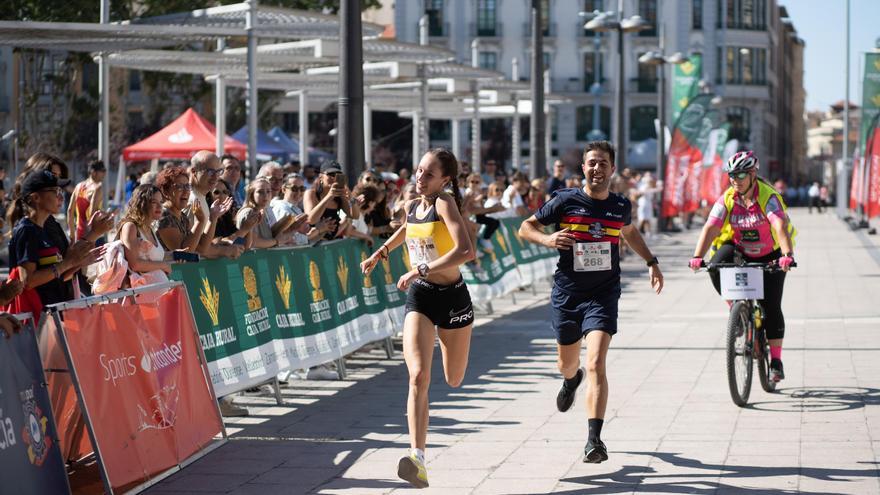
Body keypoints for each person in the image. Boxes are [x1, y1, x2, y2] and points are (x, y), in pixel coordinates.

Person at [518, 141, 663, 464]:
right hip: (568, 293)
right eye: (591, 163)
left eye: (602, 163)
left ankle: (594, 440)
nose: (596, 168)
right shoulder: (565, 201)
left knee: (597, 362)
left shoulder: (620, 205)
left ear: (612, 169)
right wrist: (547, 238)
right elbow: (524, 228)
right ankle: (571, 379)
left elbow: (629, 232)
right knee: (567, 364)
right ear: (583, 168)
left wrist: (652, 262)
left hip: (603, 294)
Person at [360, 148, 476, 489]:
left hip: (453, 299)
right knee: (418, 376)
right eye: (418, 171)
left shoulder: (444, 203)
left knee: (453, 379)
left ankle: (444, 340)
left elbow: (465, 251)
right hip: (422, 296)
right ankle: (418, 457)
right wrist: (381, 253)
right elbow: (407, 230)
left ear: (445, 179)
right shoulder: (415, 204)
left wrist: (420, 267)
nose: (419, 178)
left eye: (428, 174)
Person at [689, 150, 794, 383]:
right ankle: (736, 308)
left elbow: (779, 226)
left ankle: (776, 361)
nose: (735, 180)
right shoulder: (728, 197)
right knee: (715, 265)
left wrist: (787, 255)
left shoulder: (768, 197)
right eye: (732, 175)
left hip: (771, 254)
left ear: (753, 174)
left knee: (772, 306)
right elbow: (711, 227)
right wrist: (697, 256)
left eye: (741, 174)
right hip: (741, 250)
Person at [9, 170, 101, 308]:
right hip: (37, 319)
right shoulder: (26, 231)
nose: (61, 197)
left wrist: (77, 262)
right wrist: (66, 264)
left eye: (61, 191)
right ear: (36, 197)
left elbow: (57, 277)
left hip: (55, 314)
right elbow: (28, 281)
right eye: (55, 191)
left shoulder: (45, 230)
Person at [117, 184, 172, 281]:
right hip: (141, 293)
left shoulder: (149, 228)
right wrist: (163, 266)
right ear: (142, 204)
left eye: (161, 202)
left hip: (158, 292)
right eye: (154, 202)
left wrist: (174, 255)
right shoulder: (131, 227)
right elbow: (134, 264)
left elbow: (152, 257)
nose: (160, 206)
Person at [304, 161, 349, 240]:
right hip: (315, 246)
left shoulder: (339, 196)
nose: (334, 178)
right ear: (321, 176)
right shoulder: (311, 193)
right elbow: (310, 220)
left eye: (337, 175)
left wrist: (351, 197)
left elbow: (354, 215)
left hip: (333, 245)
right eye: (331, 174)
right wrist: (329, 196)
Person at [68, 160, 106, 242]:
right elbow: (93, 213)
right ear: (93, 172)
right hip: (94, 235)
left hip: (79, 233)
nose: (104, 174)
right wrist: (107, 215)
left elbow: (70, 210)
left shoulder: (78, 186)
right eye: (102, 171)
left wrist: (72, 235)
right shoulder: (97, 188)